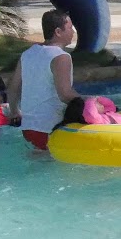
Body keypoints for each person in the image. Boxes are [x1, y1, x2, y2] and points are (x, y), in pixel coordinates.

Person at [10, 9, 79, 151]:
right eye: (70, 28)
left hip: (28, 128)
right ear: (58, 32)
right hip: (50, 128)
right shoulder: (60, 57)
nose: (73, 32)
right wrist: (91, 102)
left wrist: (15, 111)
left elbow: (13, 87)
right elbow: (65, 94)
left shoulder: (28, 53)